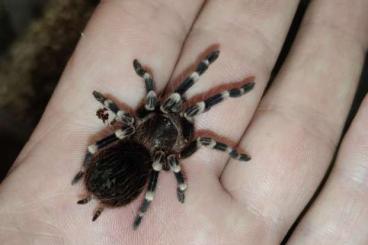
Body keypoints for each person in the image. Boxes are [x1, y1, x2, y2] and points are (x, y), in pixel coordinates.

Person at [1, 0, 368, 244]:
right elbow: (159, 159)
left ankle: (87, 179)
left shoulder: (129, 128)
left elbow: (105, 134)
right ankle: (234, 90)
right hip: (136, 153)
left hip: (129, 151)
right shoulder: (164, 155)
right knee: (188, 113)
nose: (178, 107)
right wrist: (174, 189)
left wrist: (120, 100)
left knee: (165, 109)